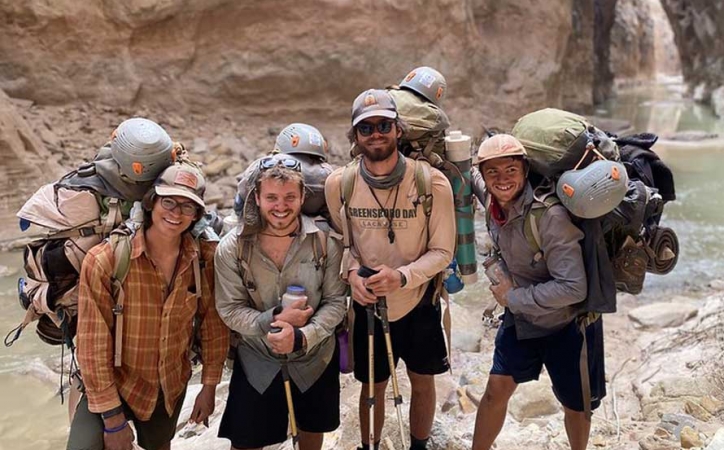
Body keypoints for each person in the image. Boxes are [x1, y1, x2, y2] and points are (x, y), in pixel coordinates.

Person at [325, 89, 456, 450]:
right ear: (355, 137)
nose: (376, 133)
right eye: (366, 128)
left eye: (384, 124)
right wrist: (352, 276)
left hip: (420, 298)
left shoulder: (432, 183)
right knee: (372, 385)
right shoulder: (341, 184)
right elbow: (341, 242)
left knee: (423, 379)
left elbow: (444, 251)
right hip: (368, 302)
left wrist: (402, 276)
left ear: (398, 129)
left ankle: (418, 445)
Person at [69, 162, 230, 450]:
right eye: (168, 201)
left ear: (196, 216)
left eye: (187, 207)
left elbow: (212, 324)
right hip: (114, 381)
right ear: (151, 202)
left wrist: (208, 388)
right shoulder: (105, 260)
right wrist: (112, 419)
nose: (176, 213)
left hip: (168, 386)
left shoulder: (203, 259)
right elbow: (93, 343)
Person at [471, 134, 606, 450]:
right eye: (493, 172)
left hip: (568, 325)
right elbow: (471, 177)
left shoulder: (549, 216)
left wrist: (512, 298)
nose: (502, 179)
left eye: (510, 170)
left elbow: (574, 287)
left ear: (524, 169)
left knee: (576, 405)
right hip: (523, 321)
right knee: (495, 390)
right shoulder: (493, 201)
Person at [214, 154, 347, 450]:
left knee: (311, 436)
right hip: (257, 361)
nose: (281, 206)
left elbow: (337, 302)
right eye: (271, 197)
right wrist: (275, 320)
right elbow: (229, 308)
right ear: (257, 198)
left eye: (289, 197)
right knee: (246, 442)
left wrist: (301, 337)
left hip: (315, 358)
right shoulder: (232, 248)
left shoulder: (325, 242)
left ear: (302, 197)